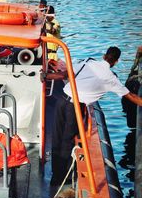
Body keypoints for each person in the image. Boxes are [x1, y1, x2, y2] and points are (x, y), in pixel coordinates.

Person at [46, 47, 142, 186]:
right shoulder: (111, 78)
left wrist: (47, 76)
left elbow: (66, 74)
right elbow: (131, 96)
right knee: (67, 140)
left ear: (104, 56)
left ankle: (55, 175)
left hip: (62, 100)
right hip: (75, 107)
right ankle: (62, 178)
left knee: (57, 137)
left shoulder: (88, 62)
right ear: (116, 61)